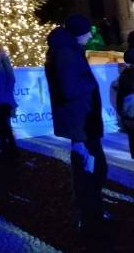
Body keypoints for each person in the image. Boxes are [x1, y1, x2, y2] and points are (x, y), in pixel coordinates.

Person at [45, 14, 109, 240]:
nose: (91, 34)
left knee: (92, 168)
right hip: (79, 122)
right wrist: (91, 83)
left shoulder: (67, 48)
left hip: (81, 121)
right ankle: (89, 218)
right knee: (88, 170)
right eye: (87, 30)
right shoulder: (65, 51)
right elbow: (70, 88)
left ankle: (92, 213)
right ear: (77, 32)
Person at [117, 47, 134, 159]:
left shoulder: (125, 75)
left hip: (129, 116)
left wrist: (121, 111)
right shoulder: (126, 75)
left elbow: (120, 95)